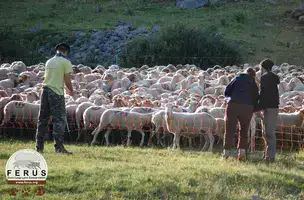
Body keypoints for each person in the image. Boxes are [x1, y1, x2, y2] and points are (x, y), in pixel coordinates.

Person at [35, 43, 74, 154]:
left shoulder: (49, 61)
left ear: (57, 50)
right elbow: (67, 80)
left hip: (45, 90)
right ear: (66, 52)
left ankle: (39, 147)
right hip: (56, 92)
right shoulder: (65, 62)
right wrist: (71, 90)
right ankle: (59, 148)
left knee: (42, 119)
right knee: (59, 119)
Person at [222, 67, 259, 160]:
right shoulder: (253, 83)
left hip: (233, 105)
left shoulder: (236, 79)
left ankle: (226, 153)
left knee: (229, 130)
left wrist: (235, 95)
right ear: (253, 76)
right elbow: (256, 98)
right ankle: (241, 154)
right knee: (244, 130)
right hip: (247, 107)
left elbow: (226, 92)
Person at [256, 59, 280, 163]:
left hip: (269, 107)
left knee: (269, 132)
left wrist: (258, 107)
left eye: (261, 68)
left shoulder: (265, 78)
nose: (260, 70)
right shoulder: (274, 77)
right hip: (273, 107)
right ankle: (267, 155)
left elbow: (264, 93)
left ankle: (271, 157)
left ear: (264, 68)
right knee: (267, 132)